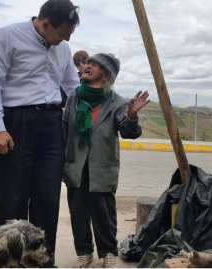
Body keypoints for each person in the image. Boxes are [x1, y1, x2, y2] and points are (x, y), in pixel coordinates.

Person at [0, 0, 80, 266]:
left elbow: (73, 87)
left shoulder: (63, 47)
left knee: (47, 197)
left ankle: (42, 261)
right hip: (16, 123)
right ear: (45, 24)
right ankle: (9, 261)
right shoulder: (7, 36)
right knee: (12, 196)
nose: (67, 39)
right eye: (62, 33)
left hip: (51, 124)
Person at [63, 53, 150, 268]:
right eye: (87, 63)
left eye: (94, 65)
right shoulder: (74, 98)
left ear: (106, 75)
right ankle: (84, 252)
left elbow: (129, 132)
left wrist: (132, 116)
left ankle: (109, 252)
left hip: (102, 166)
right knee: (78, 212)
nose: (87, 66)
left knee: (104, 213)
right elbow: (64, 130)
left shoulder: (117, 102)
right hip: (76, 165)